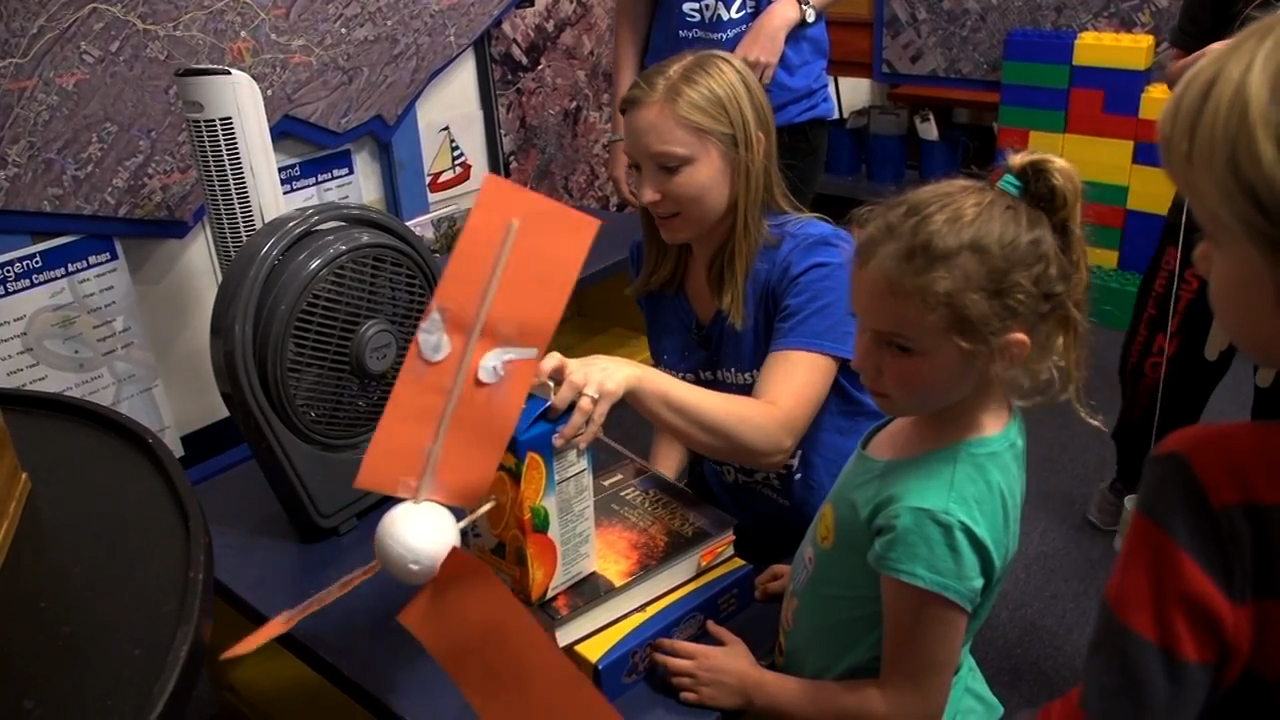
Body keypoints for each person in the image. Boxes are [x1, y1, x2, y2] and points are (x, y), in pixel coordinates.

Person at [650, 151, 1095, 718]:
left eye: (900, 346)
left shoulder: (935, 517)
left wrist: (754, 688)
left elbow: (908, 704)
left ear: (1001, 355)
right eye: (861, 326)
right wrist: (831, 577)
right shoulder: (943, 406)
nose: (860, 362)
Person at [539, 50, 883, 568]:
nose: (647, 194)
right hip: (739, 522)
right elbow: (685, 394)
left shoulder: (818, 262)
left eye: (671, 167)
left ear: (747, 152)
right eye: (636, 168)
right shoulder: (659, 259)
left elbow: (773, 434)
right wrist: (659, 498)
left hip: (836, 544)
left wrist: (629, 376)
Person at [1037, 12, 1280, 717]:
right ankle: (1124, 472)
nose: (1202, 253)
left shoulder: (1217, 485)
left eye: (1221, 229)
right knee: (1160, 361)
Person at [1086, 0, 1280, 532]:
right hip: (1214, 197)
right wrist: (1230, 56)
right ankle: (1135, 476)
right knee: (1162, 355)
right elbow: (1179, 72)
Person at [610, 0, 836, 209]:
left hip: (783, 110)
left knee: (772, 246)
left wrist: (786, 11)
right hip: (672, 115)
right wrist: (621, 131)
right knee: (677, 249)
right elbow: (632, 13)